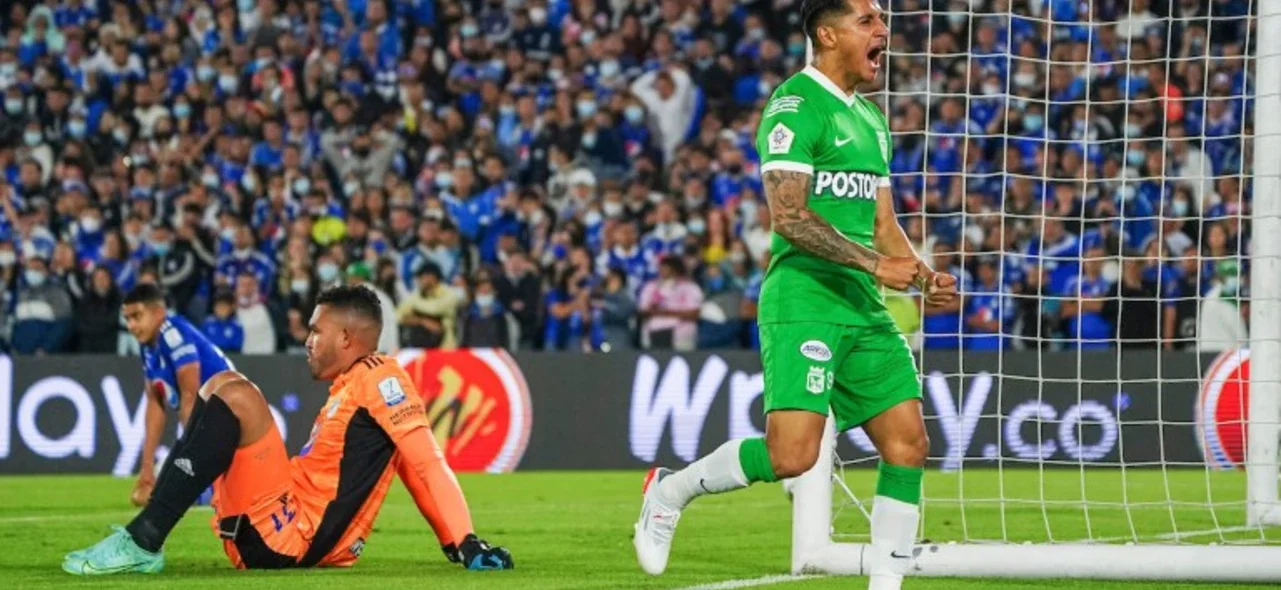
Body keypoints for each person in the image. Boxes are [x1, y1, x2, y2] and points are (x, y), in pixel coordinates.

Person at [631, 5, 957, 590]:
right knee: (792, 457)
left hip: (862, 304)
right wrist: (877, 264)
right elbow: (789, 218)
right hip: (804, 298)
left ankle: (886, 585)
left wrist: (923, 272)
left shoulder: (872, 119)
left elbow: (882, 222)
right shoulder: (795, 105)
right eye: (867, 20)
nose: (882, 30)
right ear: (827, 35)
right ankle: (669, 491)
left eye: (881, 20)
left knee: (908, 442)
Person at [62, 285, 513, 574]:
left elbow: (425, 463)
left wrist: (464, 540)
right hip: (278, 521)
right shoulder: (348, 386)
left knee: (236, 393)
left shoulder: (381, 376)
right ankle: (144, 535)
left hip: (297, 535)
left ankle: (143, 540)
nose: (307, 340)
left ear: (346, 339)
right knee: (221, 384)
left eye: (317, 331)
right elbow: (406, 462)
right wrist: (452, 541)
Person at [120, 283, 235, 507]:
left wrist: (190, 458)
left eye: (137, 316)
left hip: (225, 420)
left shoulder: (173, 333)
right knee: (157, 488)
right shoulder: (148, 347)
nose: (131, 325)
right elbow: (154, 402)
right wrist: (145, 471)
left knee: (169, 493)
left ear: (158, 313)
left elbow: (191, 396)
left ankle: (217, 487)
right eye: (127, 319)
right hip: (207, 426)